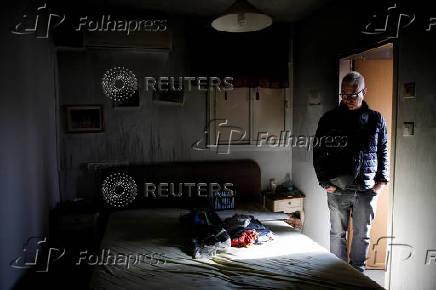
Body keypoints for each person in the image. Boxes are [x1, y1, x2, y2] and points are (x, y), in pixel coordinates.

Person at [313, 71, 389, 272]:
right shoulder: (329, 119)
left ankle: (357, 275)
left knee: (362, 235)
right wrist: (324, 182)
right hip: (337, 188)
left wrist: (381, 182)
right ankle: (338, 274)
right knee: (337, 233)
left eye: (353, 95)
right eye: (344, 95)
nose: (348, 99)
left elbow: (383, 150)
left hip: (366, 189)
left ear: (364, 91)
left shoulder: (376, 119)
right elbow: (318, 151)